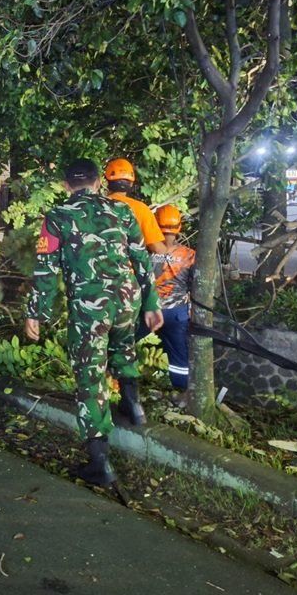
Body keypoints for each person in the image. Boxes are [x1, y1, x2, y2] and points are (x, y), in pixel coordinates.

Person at [25, 159, 163, 487]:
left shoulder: (57, 217)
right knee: (123, 349)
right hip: (127, 297)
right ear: (99, 182)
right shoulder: (123, 211)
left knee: (90, 376)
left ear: (64, 185)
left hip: (90, 306)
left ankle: (100, 462)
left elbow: (46, 272)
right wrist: (151, 301)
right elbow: (142, 258)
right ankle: (133, 407)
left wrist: (36, 313)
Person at [151, 205, 196, 403]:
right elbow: (196, 285)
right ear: (179, 226)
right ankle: (182, 392)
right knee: (179, 355)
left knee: (126, 345)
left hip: (150, 312)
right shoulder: (189, 255)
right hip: (178, 314)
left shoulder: (147, 251)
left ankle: (120, 384)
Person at [104, 158, 167, 255]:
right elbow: (157, 248)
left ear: (106, 181)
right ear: (131, 183)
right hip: (129, 268)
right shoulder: (141, 209)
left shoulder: (95, 206)